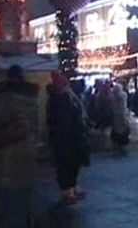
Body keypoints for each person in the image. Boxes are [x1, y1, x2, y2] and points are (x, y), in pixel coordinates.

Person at [0, 65, 39, 228]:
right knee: (23, 202)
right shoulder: (33, 99)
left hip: (4, 159)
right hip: (28, 156)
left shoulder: (3, 99)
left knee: (4, 209)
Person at [47, 72, 90, 205]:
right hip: (65, 137)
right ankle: (67, 188)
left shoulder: (69, 97)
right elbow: (60, 121)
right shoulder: (58, 100)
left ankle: (72, 185)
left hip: (73, 136)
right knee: (65, 163)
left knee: (73, 162)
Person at [110, 83, 130, 155]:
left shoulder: (113, 97)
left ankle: (118, 145)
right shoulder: (123, 96)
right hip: (122, 115)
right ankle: (123, 146)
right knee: (123, 131)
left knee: (117, 131)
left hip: (116, 116)